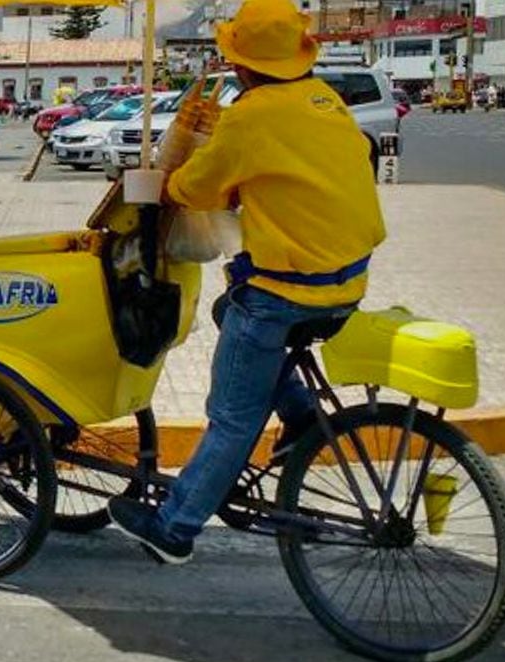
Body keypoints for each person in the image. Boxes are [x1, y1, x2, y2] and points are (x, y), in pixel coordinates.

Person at [106, 0, 387, 564]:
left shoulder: (250, 115)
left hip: (286, 292)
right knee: (225, 309)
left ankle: (175, 526)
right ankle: (302, 414)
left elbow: (197, 188)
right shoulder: (325, 100)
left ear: (243, 66)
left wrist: (169, 185)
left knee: (232, 413)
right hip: (346, 285)